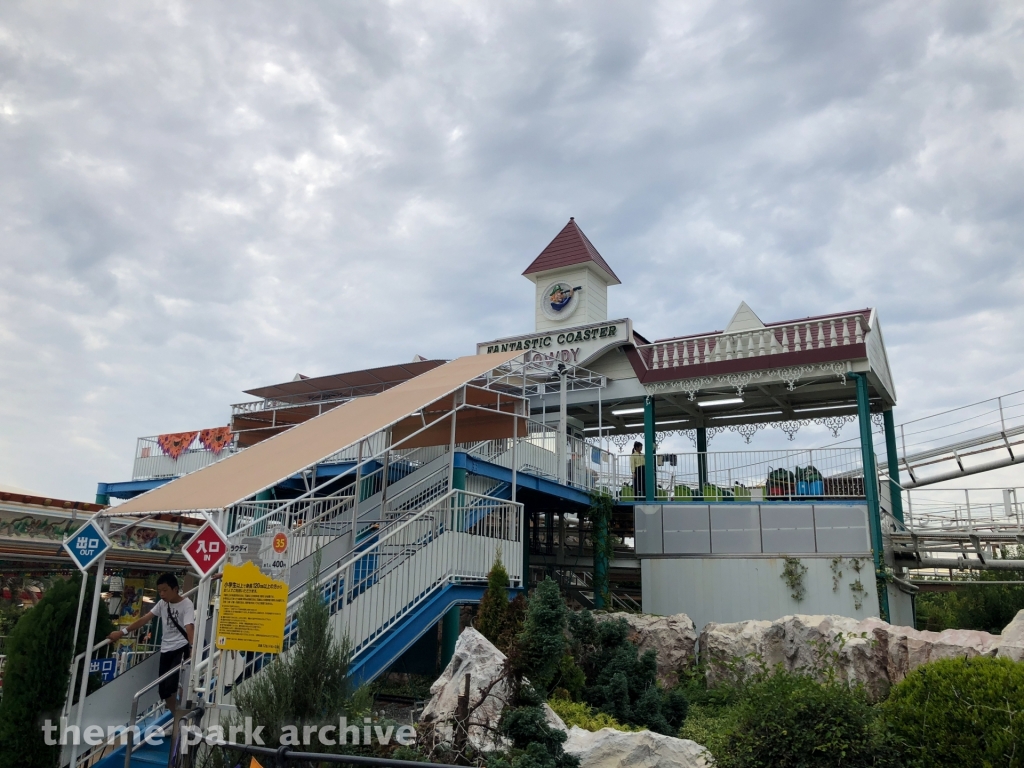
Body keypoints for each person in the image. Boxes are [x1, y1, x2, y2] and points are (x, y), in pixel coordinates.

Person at [108, 573, 194, 720]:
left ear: (175, 589)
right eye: (159, 591)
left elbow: (189, 627)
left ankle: (183, 718)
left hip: (181, 648)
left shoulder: (187, 604)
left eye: (165, 590)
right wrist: (121, 632)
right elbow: (144, 619)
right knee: (164, 692)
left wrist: (192, 649)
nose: (162, 594)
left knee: (172, 687)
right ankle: (178, 719)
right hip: (165, 649)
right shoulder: (162, 604)